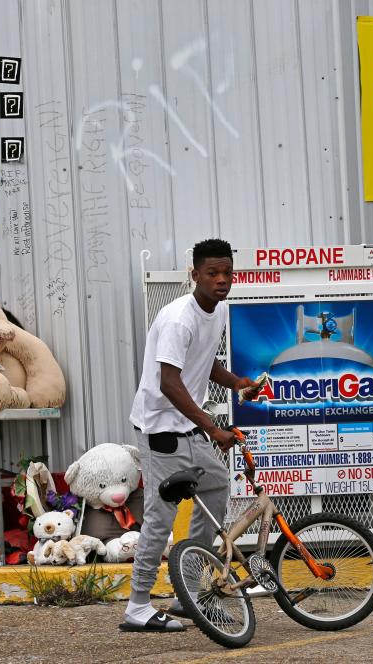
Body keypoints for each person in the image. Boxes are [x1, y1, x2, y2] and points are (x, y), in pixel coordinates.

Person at [120, 238, 261, 633]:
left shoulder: (216, 311)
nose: (221, 280)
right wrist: (213, 427)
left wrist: (236, 383)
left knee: (216, 486)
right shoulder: (179, 317)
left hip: (189, 427)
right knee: (159, 519)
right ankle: (137, 606)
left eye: (227, 273)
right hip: (161, 431)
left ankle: (191, 588)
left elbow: (203, 359)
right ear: (194, 274)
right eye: (212, 273)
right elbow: (169, 381)